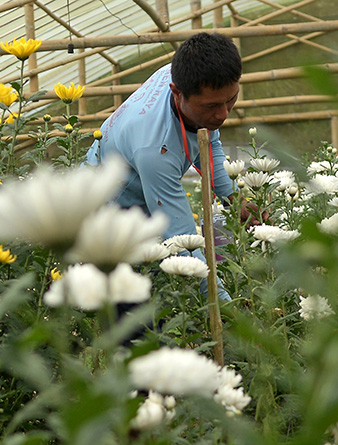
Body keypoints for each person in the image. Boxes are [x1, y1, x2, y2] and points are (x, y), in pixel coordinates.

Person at [85, 33, 259, 300]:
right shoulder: (155, 149)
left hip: (140, 187)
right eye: (212, 105)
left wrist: (235, 199)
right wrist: (226, 308)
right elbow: (182, 241)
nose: (224, 114)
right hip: (106, 209)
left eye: (231, 99)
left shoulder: (185, 72)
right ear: (177, 93)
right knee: (138, 305)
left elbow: (208, 141)